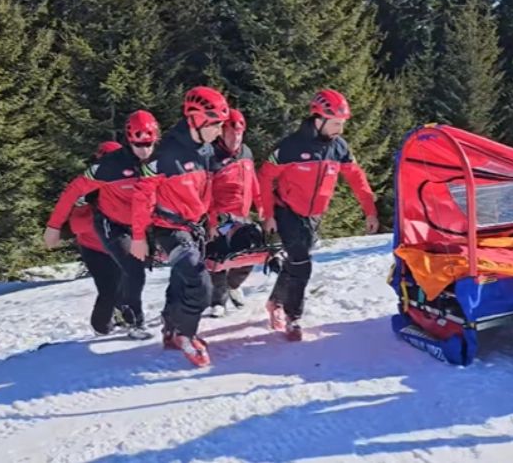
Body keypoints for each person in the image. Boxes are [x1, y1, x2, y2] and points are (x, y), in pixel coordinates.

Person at [258, 89, 380, 341]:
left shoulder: (339, 147)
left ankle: (275, 302)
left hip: (314, 215)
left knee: (295, 261)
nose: (340, 129)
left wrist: (370, 211)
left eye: (342, 124)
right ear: (318, 118)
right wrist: (268, 214)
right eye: (336, 123)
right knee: (302, 263)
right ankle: (294, 318)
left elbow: (357, 178)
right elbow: (265, 177)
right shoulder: (290, 146)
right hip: (287, 211)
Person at [129, 86, 230, 367]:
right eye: (214, 125)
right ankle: (187, 335)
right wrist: (138, 236)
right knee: (199, 281)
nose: (219, 131)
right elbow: (142, 196)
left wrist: (210, 221)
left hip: (193, 226)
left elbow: (207, 189)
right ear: (195, 119)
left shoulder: (207, 149)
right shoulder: (166, 154)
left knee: (180, 280)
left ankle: (171, 329)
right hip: (169, 229)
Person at [44, 111, 161, 340]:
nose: (144, 150)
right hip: (109, 228)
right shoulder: (107, 168)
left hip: (136, 226)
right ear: (129, 140)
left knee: (132, 275)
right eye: (139, 145)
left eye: (149, 144)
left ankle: (146, 313)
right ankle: (131, 322)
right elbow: (71, 194)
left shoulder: (161, 161)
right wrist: (54, 227)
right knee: (128, 273)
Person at [44, 140, 124, 335]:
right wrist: (98, 215)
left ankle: (123, 318)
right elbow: (76, 224)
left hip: (118, 244)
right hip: (94, 247)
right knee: (108, 290)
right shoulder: (85, 187)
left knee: (125, 285)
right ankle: (101, 327)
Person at [203, 108, 266, 317]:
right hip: (220, 216)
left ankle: (234, 285)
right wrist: (211, 221)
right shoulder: (211, 155)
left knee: (250, 253)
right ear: (222, 131)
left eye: (239, 133)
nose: (236, 137)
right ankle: (217, 301)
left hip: (242, 215)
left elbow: (253, 180)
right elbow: (206, 192)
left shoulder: (246, 152)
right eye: (231, 132)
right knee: (218, 258)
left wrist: (261, 204)